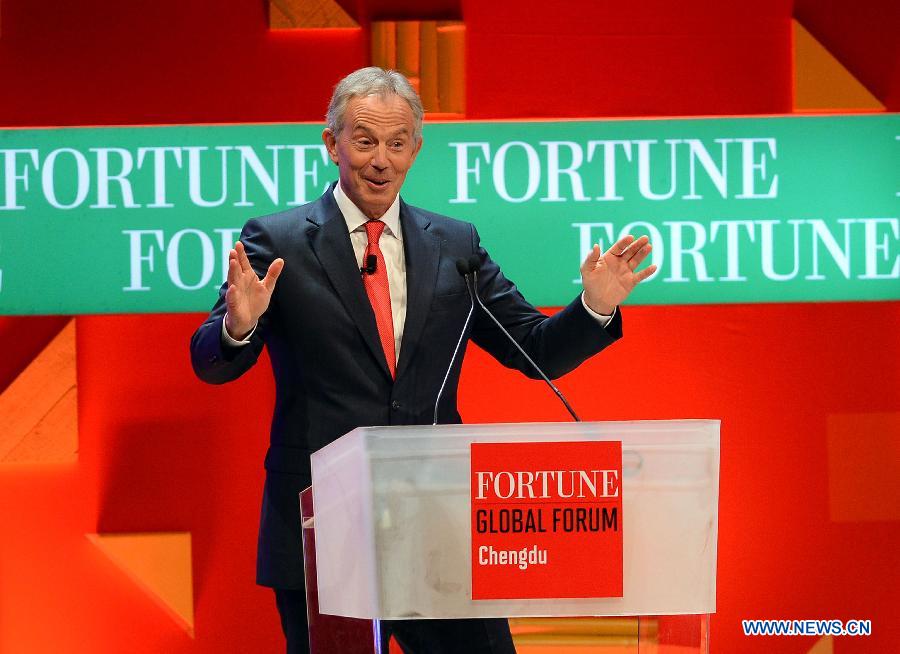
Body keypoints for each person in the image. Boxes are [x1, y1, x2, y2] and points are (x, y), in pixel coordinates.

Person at [190, 67, 655, 654]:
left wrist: (594, 306)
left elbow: (534, 349)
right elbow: (211, 361)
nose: (381, 160)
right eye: (364, 142)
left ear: (416, 148)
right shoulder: (280, 241)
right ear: (331, 144)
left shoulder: (454, 246)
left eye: (397, 142)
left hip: (438, 526)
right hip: (324, 525)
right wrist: (239, 323)